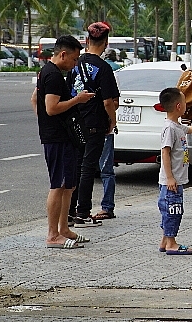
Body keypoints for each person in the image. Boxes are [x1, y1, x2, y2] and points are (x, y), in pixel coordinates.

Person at [31, 35, 94, 249]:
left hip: (62, 136)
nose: (75, 64)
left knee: (69, 185)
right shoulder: (53, 75)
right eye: (74, 59)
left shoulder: (47, 72)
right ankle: (52, 235)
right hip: (56, 138)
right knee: (57, 185)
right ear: (63, 54)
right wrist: (77, 99)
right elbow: (50, 107)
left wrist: (45, 123)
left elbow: (34, 100)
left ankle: (63, 229)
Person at [67, 22, 120, 226]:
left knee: (77, 167)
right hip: (96, 124)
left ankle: (70, 212)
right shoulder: (103, 68)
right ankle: (83, 212)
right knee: (89, 168)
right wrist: (112, 122)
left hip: (76, 123)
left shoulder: (75, 63)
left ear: (87, 41)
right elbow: (109, 102)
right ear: (106, 43)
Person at [157, 87, 192, 255]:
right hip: (171, 182)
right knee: (173, 211)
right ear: (179, 106)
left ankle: (165, 241)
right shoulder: (170, 129)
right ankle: (172, 243)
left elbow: (189, 130)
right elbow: (165, 152)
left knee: (170, 210)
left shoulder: (177, 126)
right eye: (184, 101)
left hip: (177, 179)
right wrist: (170, 177)